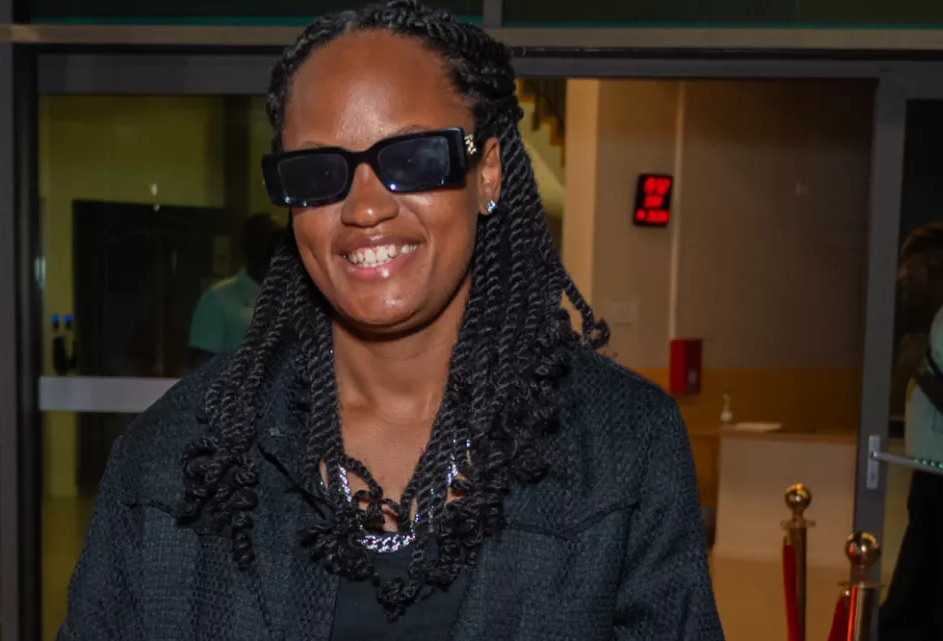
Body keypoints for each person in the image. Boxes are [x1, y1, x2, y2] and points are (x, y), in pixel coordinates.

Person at [59, 2, 722, 639]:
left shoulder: (622, 447)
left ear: (488, 173)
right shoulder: (178, 457)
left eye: (413, 159)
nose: (365, 207)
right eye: (319, 170)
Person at [881, 221, 943, 641]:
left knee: (904, 616)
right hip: (932, 485)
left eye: (907, 269)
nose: (900, 279)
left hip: (941, 487)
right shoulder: (938, 325)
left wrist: (921, 369)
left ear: (934, 267)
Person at [188, 213, 281, 366]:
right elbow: (201, 367)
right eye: (267, 245)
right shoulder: (216, 300)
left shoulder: (293, 298)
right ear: (246, 249)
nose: (275, 254)